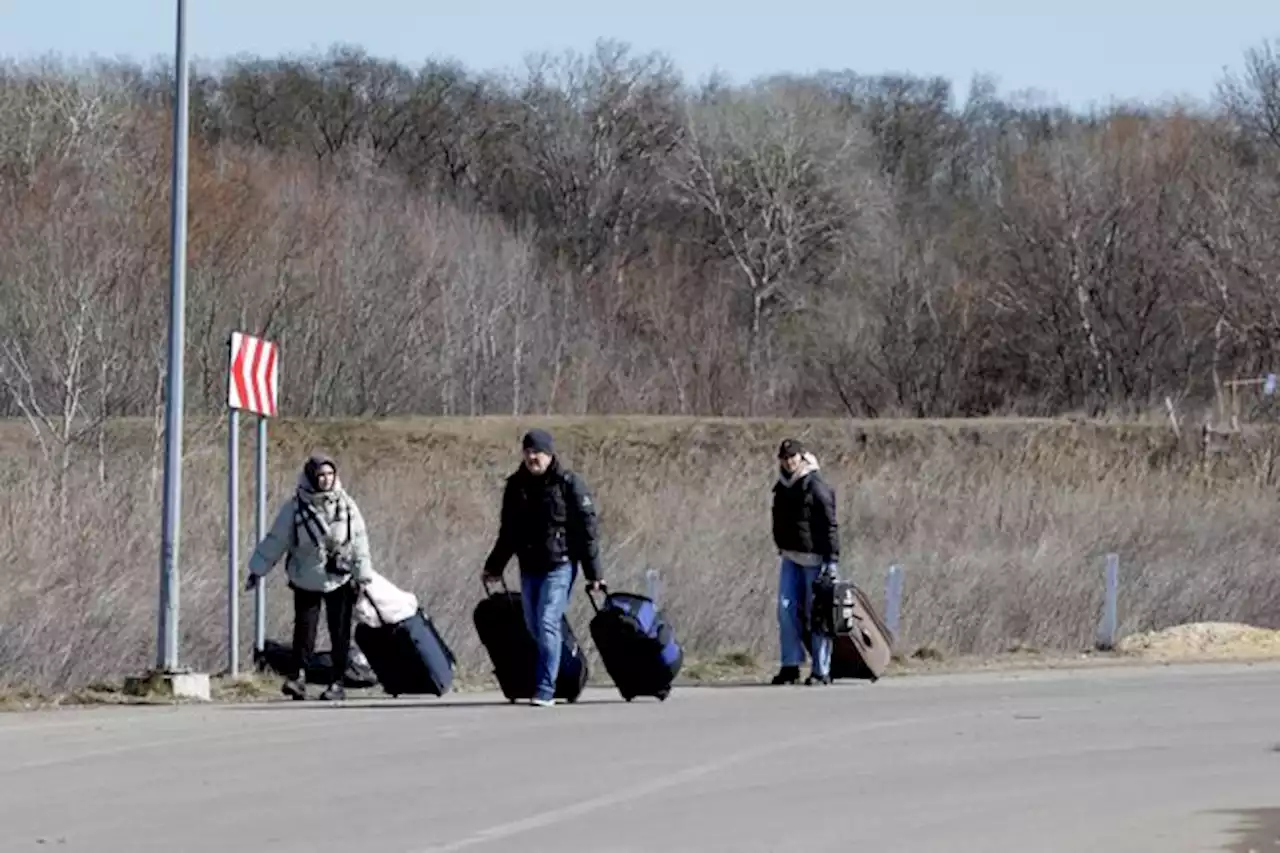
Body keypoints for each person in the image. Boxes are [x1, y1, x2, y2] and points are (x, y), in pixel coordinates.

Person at [482, 428, 605, 707]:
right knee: (534, 626)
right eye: (527, 452)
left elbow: (587, 531)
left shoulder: (568, 483)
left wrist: (594, 574)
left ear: (549, 454)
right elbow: (508, 532)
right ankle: (570, 669)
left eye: (536, 452)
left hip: (560, 565)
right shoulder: (516, 486)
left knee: (548, 621)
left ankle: (545, 689)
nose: (531, 457)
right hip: (529, 567)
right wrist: (494, 566)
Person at [246, 453, 374, 701]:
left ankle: (337, 682)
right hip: (306, 577)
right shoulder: (295, 507)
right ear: (310, 477)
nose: (325, 480)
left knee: (340, 634)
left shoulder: (346, 506)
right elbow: (276, 540)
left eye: (329, 474)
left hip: (340, 579)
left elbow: (360, 542)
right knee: (304, 632)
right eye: (320, 475)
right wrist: (257, 569)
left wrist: (363, 577)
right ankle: (298, 678)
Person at [770, 438, 840, 686]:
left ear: (802, 457)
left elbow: (830, 524)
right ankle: (790, 665)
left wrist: (831, 560)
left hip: (816, 559)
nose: (789, 462)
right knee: (785, 609)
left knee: (818, 614)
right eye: (785, 458)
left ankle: (821, 670)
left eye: (793, 457)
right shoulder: (782, 485)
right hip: (791, 556)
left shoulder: (816, 485)